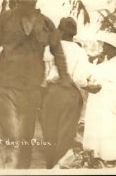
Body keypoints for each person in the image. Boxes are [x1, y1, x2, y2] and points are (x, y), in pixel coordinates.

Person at [0, 0, 70, 169]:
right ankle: (8, 169)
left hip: (31, 89)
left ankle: (21, 170)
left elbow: (58, 52)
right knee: (10, 136)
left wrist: (65, 77)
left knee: (25, 138)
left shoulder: (47, 23)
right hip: (4, 85)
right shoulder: (5, 18)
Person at [40, 17, 100, 169]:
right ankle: (60, 167)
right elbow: (80, 79)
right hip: (69, 94)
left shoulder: (49, 48)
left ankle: (49, 166)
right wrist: (89, 87)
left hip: (51, 92)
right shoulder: (80, 51)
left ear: (59, 31)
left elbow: (42, 75)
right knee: (65, 133)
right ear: (74, 34)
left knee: (49, 131)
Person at [83, 32, 116, 167]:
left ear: (114, 47)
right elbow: (94, 75)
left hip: (114, 99)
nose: (104, 48)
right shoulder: (106, 62)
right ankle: (101, 155)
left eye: (106, 46)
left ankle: (115, 156)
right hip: (100, 98)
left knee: (114, 127)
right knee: (101, 127)